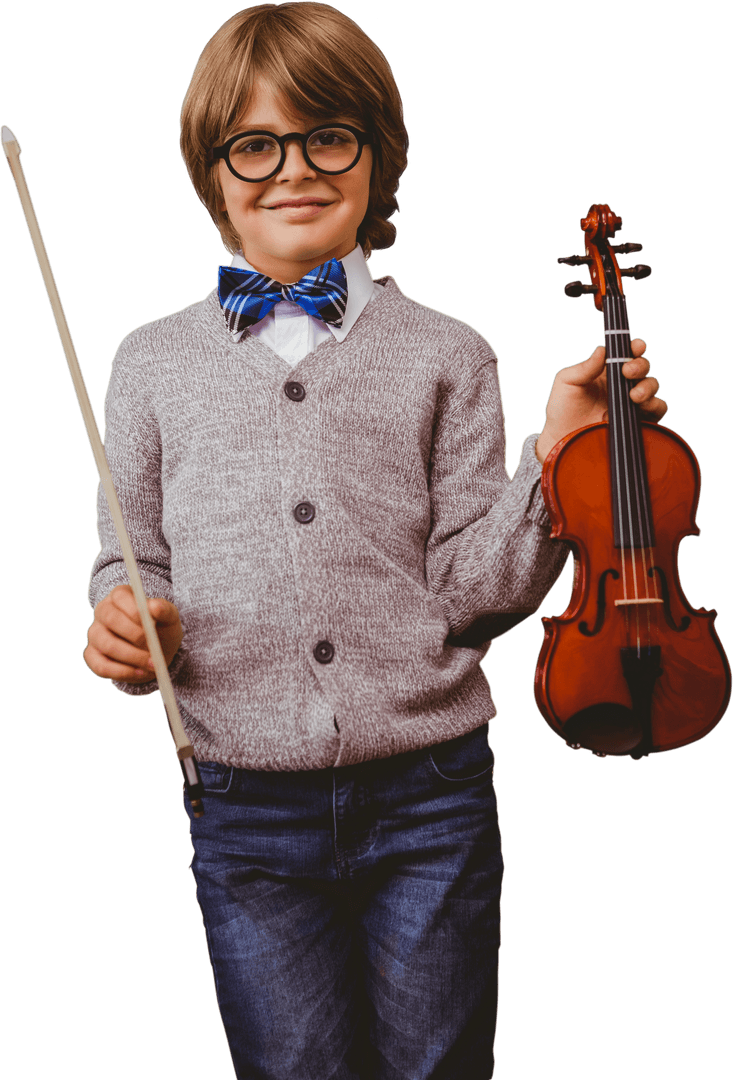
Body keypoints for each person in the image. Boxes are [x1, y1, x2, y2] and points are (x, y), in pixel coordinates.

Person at [83, 4, 666, 1078]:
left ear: (376, 155)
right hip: (243, 805)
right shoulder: (147, 364)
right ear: (212, 171)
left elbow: (473, 593)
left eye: (328, 136)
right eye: (255, 144)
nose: (293, 168)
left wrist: (557, 462)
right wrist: (125, 614)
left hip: (430, 796)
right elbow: (132, 555)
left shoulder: (451, 354)